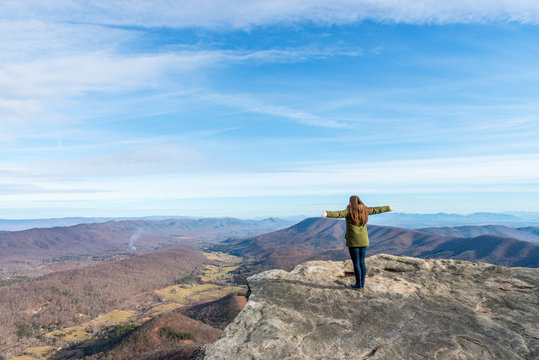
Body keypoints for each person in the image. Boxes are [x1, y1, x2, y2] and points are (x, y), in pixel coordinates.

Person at [322, 196, 393, 290]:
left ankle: (358, 285)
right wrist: (388, 208)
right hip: (364, 240)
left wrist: (327, 213)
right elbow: (377, 210)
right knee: (362, 262)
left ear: (351, 202)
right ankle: (362, 284)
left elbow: (338, 214)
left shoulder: (349, 211)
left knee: (356, 262)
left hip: (353, 241)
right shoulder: (365, 210)